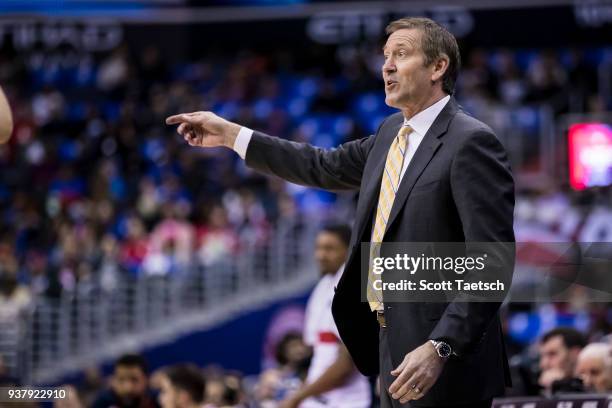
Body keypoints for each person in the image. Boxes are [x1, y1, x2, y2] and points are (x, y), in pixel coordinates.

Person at [167, 16, 515, 408]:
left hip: (445, 357)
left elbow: (492, 261)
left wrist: (441, 346)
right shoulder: (389, 135)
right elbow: (322, 165)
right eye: (385, 56)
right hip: (391, 342)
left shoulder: (471, 142)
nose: (386, 66)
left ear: (438, 67)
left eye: (401, 54)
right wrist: (232, 135)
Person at [280, 225, 371, 408]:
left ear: (348, 250)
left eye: (329, 249)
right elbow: (317, 352)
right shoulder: (323, 286)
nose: (320, 255)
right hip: (320, 398)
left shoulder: (353, 286)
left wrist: (297, 397)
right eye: (318, 248)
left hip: (349, 401)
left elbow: (345, 365)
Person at [91, 354, 160, 408]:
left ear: (146, 380)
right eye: (121, 379)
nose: (127, 387)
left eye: (134, 380)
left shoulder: (159, 401)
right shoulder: (102, 403)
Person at [538, 327, 587, 394]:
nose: (544, 364)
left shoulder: (591, 385)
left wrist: (562, 385)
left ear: (576, 354)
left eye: (552, 354)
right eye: (542, 356)